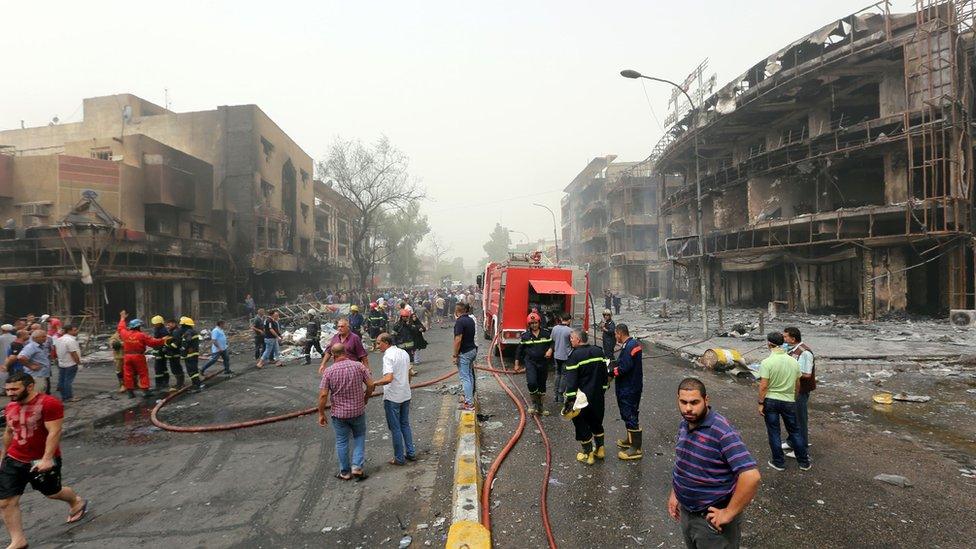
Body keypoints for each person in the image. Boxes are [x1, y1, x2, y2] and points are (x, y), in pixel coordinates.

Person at [669, 377, 761, 549]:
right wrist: (676, 493)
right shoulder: (685, 423)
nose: (688, 408)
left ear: (706, 400)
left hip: (711, 522)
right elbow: (684, 461)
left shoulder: (722, 432)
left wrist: (728, 513)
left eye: (694, 402)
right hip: (687, 514)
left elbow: (751, 476)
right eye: (683, 402)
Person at [0, 372, 89, 548]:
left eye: (14, 389)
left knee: (52, 492)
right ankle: (18, 540)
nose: (10, 393)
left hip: (40, 460)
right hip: (14, 458)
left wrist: (47, 459)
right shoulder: (10, 407)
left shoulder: (49, 403)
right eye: (7, 389)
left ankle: (76, 501)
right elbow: (9, 432)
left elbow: (54, 431)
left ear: (30, 386)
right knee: (5, 502)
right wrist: (3, 455)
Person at [317, 343, 374, 481]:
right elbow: (371, 384)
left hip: (339, 414)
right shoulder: (358, 366)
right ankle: (357, 467)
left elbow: (323, 395)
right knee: (359, 437)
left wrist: (321, 413)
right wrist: (365, 397)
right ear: (346, 352)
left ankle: (345, 472)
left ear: (333, 356)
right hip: (357, 410)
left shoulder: (329, 372)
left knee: (342, 441)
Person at [758, 332, 810, 471]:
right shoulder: (793, 361)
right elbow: (797, 383)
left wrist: (760, 403)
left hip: (771, 401)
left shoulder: (767, 362)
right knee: (795, 431)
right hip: (788, 401)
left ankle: (779, 462)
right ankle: (804, 462)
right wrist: (793, 397)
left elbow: (763, 386)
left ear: (769, 344)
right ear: (782, 343)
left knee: (774, 432)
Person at [561, 329, 608, 465]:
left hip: (582, 400)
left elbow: (571, 382)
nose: (570, 340)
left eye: (572, 338)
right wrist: (602, 390)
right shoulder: (598, 352)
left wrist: (570, 400)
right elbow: (604, 375)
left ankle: (588, 455)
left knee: (581, 425)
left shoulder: (574, 357)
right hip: (598, 396)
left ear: (578, 340)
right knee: (596, 422)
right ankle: (600, 450)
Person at [371, 333, 416, 466]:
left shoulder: (388, 356)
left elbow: (388, 378)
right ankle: (411, 452)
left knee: (395, 428)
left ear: (386, 342)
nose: (377, 346)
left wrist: (374, 384)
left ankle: (399, 458)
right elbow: (409, 373)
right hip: (405, 394)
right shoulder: (403, 353)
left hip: (392, 397)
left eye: (379, 343)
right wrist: (406, 385)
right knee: (405, 424)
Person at [610, 323, 644, 461]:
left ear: (619, 333)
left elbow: (625, 367)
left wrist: (611, 372)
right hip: (627, 385)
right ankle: (630, 439)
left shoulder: (630, 345)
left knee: (630, 414)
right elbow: (622, 361)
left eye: (615, 335)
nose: (615, 337)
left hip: (629, 387)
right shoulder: (629, 344)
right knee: (626, 412)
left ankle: (636, 448)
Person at [117, 311, 168, 398]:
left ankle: (130, 392)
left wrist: (122, 318)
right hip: (138, 356)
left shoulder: (125, 334)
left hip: (127, 356)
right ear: (138, 326)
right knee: (143, 373)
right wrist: (163, 340)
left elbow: (120, 328)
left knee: (128, 374)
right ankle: (145, 391)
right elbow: (152, 342)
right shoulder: (141, 335)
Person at [783, 326, 815, 458]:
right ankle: (792, 441)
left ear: (793, 338)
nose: (783, 339)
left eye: (785, 337)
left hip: (800, 390)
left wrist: (790, 373)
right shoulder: (792, 350)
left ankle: (801, 449)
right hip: (792, 389)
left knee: (799, 419)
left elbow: (807, 374)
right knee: (791, 417)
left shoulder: (805, 352)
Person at [514, 313, 554, 415]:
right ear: (529, 324)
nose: (534, 325)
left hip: (543, 363)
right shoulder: (525, 336)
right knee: (531, 383)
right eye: (531, 323)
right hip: (530, 362)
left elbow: (552, 343)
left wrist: (550, 350)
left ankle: (540, 406)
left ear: (539, 323)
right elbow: (519, 350)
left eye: (535, 323)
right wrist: (516, 364)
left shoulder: (546, 333)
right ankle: (534, 404)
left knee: (542, 384)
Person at [452, 303, 478, 411]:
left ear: (457, 311)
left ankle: (469, 403)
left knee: (465, 378)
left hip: (464, 353)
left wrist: (455, 355)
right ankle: (470, 399)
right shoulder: (470, 320)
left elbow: (458, 339)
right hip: (472, 350)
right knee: (470, 376)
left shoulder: (460, 322)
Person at [17, 331, 53, 396]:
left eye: (45, 336)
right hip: (36, 376)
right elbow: (21, 357)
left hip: (41, 375)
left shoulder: (40, 346)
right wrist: (30, 366)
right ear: (35, 338)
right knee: (36, 395)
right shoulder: (31, 346)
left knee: (40, 394)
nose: (45, 338)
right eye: (43, 337)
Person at [53, 324, 81, 402]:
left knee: (62, 380)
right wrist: (78, 363)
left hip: (62, 363)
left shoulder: (58, 339)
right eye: (74, 330)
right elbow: (73, 353)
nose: (77, 331)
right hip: (70, 363)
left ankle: (64, 397)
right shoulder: (70, 340)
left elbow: (56, 350)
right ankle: (69, 397)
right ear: (69, 331)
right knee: (68, 381)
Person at [177, 317, 206, 392]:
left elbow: (186, 343)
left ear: (185, 325)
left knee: (191, 371)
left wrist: (182, 352)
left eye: (182, 325)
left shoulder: (188, 333)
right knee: (194, 370)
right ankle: (197, 384)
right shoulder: (193, 331)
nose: (181, 327)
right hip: (194, 354)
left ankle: (196, 385)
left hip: (190, 355)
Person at [550, 313, 573, 403]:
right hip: (566, 356)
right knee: (564, 375)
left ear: (561, 318)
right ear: (569, 320)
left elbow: (552, 340)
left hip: (557, 355)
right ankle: (560, 395)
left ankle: (555, 394)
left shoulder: (555, 328)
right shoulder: (570, 331)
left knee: (557, 373)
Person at [162, 318, 186, 390]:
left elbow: (177, 342)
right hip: (172, 353)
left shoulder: (176, 331)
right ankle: (180, 383)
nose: (168, 325)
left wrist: (168, 348)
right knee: (174, 368)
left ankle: (180, 384)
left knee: (176, 368)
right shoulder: (172, 331)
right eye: (167, 324)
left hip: (175, 353)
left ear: (174, 323)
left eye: (169, 324)